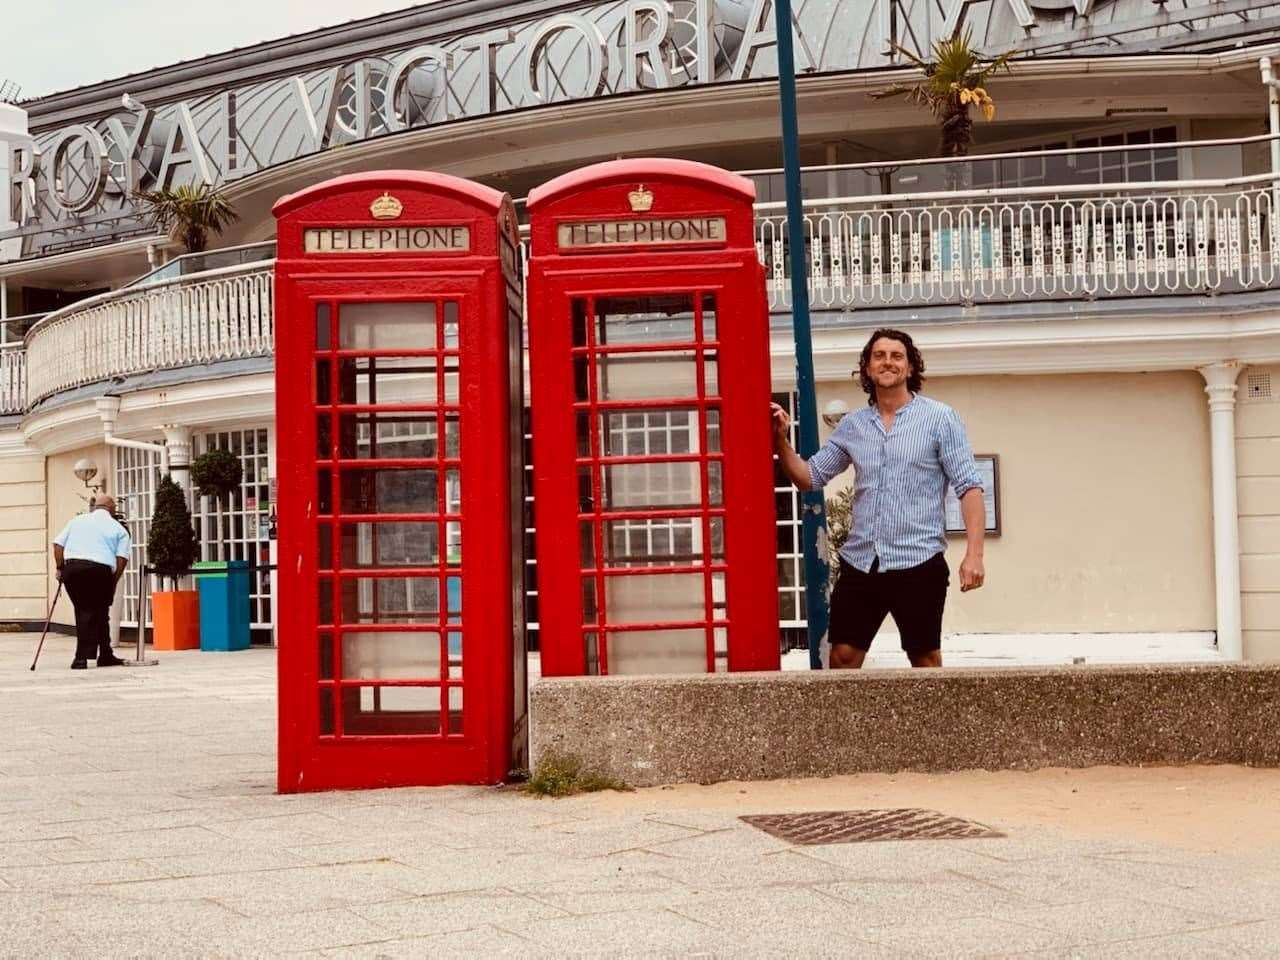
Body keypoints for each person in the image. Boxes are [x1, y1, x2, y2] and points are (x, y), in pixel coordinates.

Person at [772, 328, 986, 669]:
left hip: (918, 560)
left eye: (897, 356)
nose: (888, 362)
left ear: (910, 368)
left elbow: (969, 487)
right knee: (842, 656)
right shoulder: (852, 426)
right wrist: (781, 441)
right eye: (879, 356)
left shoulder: (940, 419)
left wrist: (974, 555)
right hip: (862, 562)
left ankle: (929, 724)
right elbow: (810, 478)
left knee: (925, 659)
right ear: (868, 369)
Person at [52, 495, 131, 669]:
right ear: (111, 510)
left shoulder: (77, 521)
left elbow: (57, 545)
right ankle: (81, 658)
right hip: (99, 571)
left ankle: (105, 654)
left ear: (95, 507)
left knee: (92, 611)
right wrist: (113, 581)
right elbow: (121, 559)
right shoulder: (119, 529)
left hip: (73, 569)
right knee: (93, 611)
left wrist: (60, 567)